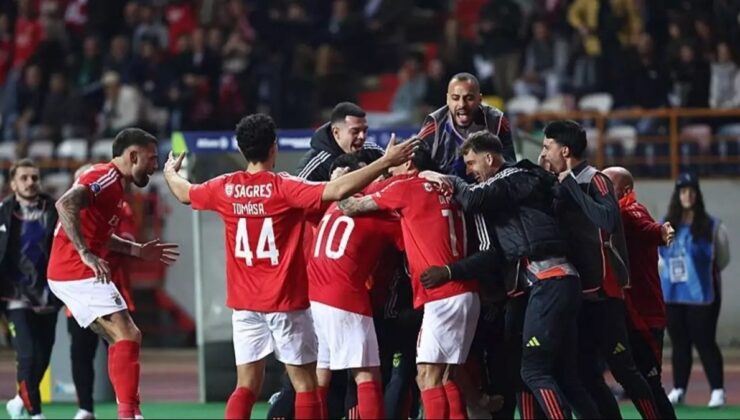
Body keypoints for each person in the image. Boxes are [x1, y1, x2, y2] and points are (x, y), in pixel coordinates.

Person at [162, 113, 418, 419]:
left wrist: (169, 173)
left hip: (244, 306)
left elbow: (183, 192)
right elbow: (336, 192)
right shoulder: (284, 188)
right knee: (306, 384)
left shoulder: (224, 187)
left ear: (242, 149)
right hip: (285, 303)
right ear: (274, 147)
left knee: (245, 385)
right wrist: (384, 162)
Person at [419, 131, 600, 419]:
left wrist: (448, 179)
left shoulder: (512, 175)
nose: (468, 171)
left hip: (549, 278)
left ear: (490, 158)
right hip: (541, 282)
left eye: (471, 163)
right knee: (549, 373)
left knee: (534, 370)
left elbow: (472, 199)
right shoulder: (517, 186)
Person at [338, 143, 480, 420]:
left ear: (410, 164)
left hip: (441, 295)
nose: (390, 167)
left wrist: (337, 180)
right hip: (467, 292)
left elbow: (348, 204)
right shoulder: (450, 187)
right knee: (447, 375)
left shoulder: (405, 186)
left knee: (426, 376)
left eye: (397, 161)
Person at [47, 128, 180, 419]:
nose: (154, 165)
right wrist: (84, 252)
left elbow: (100, 235)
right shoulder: (105, 178)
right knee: (128, 334)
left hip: (69, 270)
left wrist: (136, 250)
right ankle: (128, 413)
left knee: (122, 339)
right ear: (133, 155)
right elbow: (64, 203)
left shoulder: (117, 185)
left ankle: (129, 410)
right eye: (151, 158)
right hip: (75, 268)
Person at [539, 120, 660, 419]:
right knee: (584, 373)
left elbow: (606, 219)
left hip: (605, 294)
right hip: (578, 294)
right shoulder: (556, 182)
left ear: (564, 150)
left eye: (546, 146)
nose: (543, 152)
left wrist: (570, 186)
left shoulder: (597, 180)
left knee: (624, 371)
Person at [309, 152, 403, 419]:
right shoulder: (376, 213)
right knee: (366, 373)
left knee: (321, 372)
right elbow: (408, 244)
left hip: (316, 297)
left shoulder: (333, 205)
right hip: (345, 298)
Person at [66, 164, 139, 420]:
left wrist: (92, 249)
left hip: (111, 287)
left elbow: (124, 239)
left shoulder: (117, 206)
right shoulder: (70, 214)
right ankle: (85, 408)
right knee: (80, 354)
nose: (80, 189)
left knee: (123, 345)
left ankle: (129, 406)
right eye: (77, 184)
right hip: (79, 290)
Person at [604, 166, 677, 419]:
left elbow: (647, 228)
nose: (600, 191)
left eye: (607, 186)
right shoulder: (613, 212)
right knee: (633, 381)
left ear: (624, 191)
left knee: (649, 384)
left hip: (645, 316)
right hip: (628, 312)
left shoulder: (629, 210)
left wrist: (661, 232)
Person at [660, 172, 731, 409]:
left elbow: (722, 258)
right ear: (677, 195)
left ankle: (718, 391)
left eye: (691, 191)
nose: (687, 195)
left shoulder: (712, 227)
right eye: (682, 191)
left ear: (697, 195)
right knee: (679, 343)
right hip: (673, 294)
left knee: (705, 342)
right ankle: (679, 389)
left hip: (702, 296)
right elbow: (659, 256)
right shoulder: (666, 224)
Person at [1, 159, 60, 420]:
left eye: (34, 177)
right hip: (14, 295)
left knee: (43, 357)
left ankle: (18, 401)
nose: (30, 182)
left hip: (48, 292)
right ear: (13, 183)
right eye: (24, 178)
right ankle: (36, 414)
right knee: (27, 354)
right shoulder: (3, 211)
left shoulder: (54, 208)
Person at [417, 72, 515, 179]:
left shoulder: (497, 121)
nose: (462, 104)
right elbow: (414, 163)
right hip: (445, 192)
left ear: (480, 99)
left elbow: (509, 167)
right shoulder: (434, 125)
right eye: (455, 98)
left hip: (488, 191)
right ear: (447, 100)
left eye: (469, 98)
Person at [294, 102, 384, 181]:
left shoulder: (372, 151)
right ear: (336, 132)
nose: (362, 136)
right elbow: (297, 197)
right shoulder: (315, 166)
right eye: (355, 131)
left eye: (364, 130)